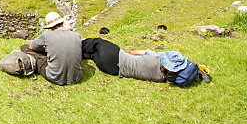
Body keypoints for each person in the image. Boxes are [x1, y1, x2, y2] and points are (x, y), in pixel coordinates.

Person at [81, 39, 212, 86]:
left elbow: (133, 52)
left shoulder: (154, 57)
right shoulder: (160, 78)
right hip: (112, 70)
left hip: (116, 57)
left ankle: (68, 43)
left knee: (96, 42)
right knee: (91, 54)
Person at [23, 12, 83, 85]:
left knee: (25, 48)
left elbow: (32, 47)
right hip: (76, 77)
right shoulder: (76, 35)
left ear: (51, 27)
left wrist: (43, 48)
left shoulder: (46, 35)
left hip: (54, 77)